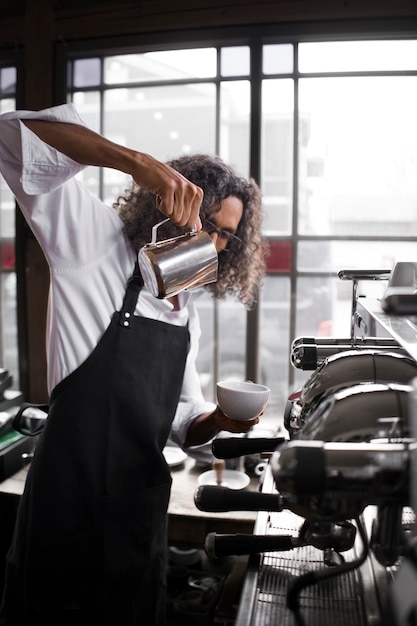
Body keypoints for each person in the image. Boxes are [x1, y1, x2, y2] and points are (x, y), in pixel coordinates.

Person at [0, 103, 266, 626]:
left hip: (138, 527)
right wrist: (135, 161)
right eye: (205, 221)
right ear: (165, 201)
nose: (212, 242)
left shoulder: (186, 313)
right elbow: (12, 135)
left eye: (224, 235)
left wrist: (223, 421)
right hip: (66, 514)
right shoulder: (92, 247)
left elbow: (184, 422)